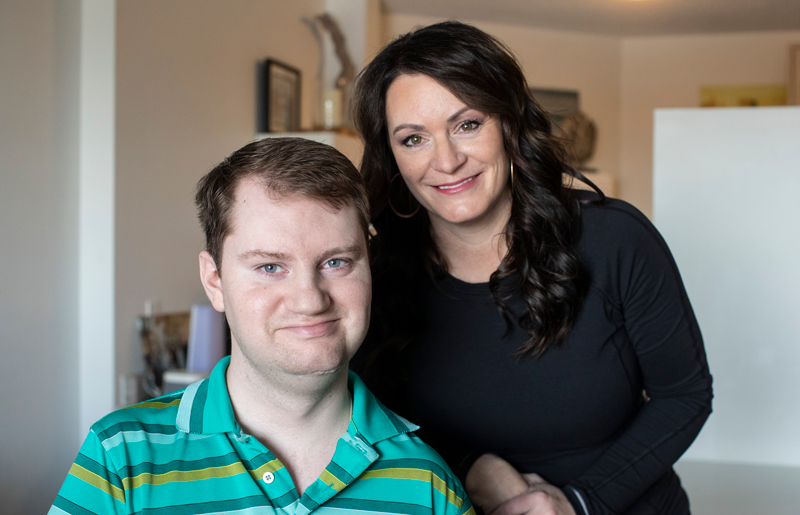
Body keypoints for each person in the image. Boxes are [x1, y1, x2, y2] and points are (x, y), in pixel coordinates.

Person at [350, 21, 713, 515]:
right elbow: (374, 416)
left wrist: (580, 503)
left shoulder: (615, 239)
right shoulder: (376, 271)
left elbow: (685, 395)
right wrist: (472, 466)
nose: (448, 160)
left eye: (468, 124)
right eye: (414, 138)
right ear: (392, 157)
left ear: (509, 123)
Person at [49, 137, 474, 515]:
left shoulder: (429, 485)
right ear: (214, 280)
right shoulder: (122, 458)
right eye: (271, 266)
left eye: (336, 262)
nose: (310, 299)